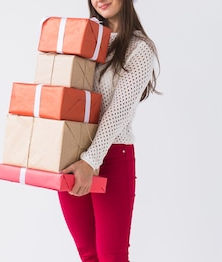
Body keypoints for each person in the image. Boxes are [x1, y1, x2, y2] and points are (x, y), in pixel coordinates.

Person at [58, 0, 160, 261]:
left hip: (112, 155)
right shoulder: (82, 40)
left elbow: (118, 112)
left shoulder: (139, 48)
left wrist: (90, 162)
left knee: (111, 256)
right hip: (70, 153)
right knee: (88, 254)